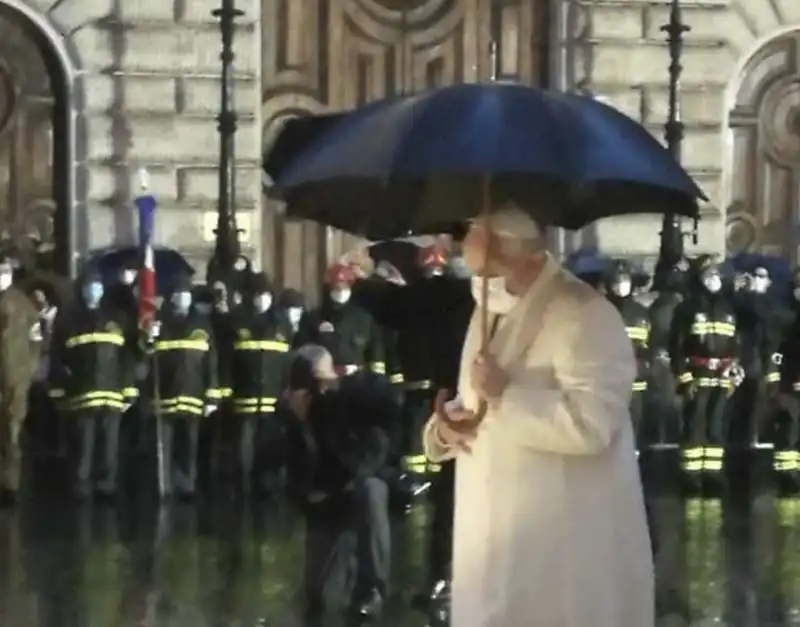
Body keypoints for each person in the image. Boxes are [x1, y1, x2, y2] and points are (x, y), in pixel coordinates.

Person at [421, 204, 653, 627]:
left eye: (490, 272)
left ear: (526, 257)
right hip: (489, 544)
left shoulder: (585, 314)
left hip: (559, 555)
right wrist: (445, 429)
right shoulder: (488, 309)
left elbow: (592, 425)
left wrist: (507, 396)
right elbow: (475, 403)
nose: (482, 285)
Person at [284, 344, 394, 625]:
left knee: (371, 490)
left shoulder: (347, 403)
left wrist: (339, 386)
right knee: (316, 596)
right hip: (325, 501)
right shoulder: (293, 421)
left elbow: (384, 418)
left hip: (357, 487)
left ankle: (371, 589)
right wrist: (311, 496)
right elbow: (288, 470)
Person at [47, 273, 137, 500]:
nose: (94, 290)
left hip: (112, 393)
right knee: (83, 445)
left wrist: (129, 390)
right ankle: (81, 486)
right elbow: (57, 358)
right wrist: (58, 391)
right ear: (82, 289)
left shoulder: (117, 319)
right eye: (90, 286)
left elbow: (126, 358)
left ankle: (107, 486)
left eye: (97, 285)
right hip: (82, 393)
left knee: (109, 445)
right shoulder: (69, 320)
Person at [670, 256, 742, 485]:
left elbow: (734, 342)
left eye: (716, 274)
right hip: (697, 374)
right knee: (694, 423)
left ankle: (712, 472)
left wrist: (734, 368)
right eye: (708, 274)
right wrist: (684, 377)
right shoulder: (688, 308)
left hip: (721, 375)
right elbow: (677, 345)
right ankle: (691, 474)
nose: (714, 278)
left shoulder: (727, 308)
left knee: (716, 424)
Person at [148, 275, 221, 500]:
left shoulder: (201, 324)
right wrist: (149, 339)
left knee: (189, 446)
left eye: (186, 294)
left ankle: (187, 485)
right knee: (165, 447)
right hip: (166, 396)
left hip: (193, 395)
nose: (182, 298)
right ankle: (166, 486)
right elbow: (147, 360)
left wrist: (212, 396)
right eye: (178, 294)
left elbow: (211, 362)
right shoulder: (160, 323)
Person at [228, 272, 293, 497]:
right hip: (245, 396)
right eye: (257, 295)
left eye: (265, 295)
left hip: (273, 398)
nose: (261, 299)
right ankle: (242, 488)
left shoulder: (281, 323)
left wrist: (287, 389)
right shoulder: (237, 321)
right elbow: (228, 359)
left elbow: (288, 360)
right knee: (242, 449)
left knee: (270, 447)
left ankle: (268, 489)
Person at [293, 262, 386, 377]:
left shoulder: (364, 319)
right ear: (329, 287)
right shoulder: (313, 318)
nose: (340, 290)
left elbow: (376, 353)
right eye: (336, 287)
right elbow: (303, 351)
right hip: (324, 380)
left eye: (344, 286)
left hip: (357, 380)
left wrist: (376, 380)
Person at [0, 257, 41, 506]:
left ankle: (10, 486)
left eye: (5, 270)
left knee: (12, 433)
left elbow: (36, 341)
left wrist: (27, 371)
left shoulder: (23, 304)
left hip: (16, 380)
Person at [604, 260, 651, 454]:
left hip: (636, 382)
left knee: (635, 426)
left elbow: (648, 345)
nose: (621, 284)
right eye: (617, 280)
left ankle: (634, 459)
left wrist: (646, 366)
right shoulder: (602, 311)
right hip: (609, 383)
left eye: (624, 280)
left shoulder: (641, 313)